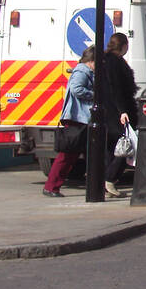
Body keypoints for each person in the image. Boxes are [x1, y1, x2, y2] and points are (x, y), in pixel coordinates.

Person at [43, 46, 95, 197]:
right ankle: (51, 186)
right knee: (67, 156)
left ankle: (54, 186)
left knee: (76, 155)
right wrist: (94, 94)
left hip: (81, 118)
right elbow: (76, 89)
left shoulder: (86, 71)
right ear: (91, 61)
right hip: (77, 118)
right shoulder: (82, 71)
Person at [102, 32, 137, 196]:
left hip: (108, 110)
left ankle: (108, 181)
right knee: (126, 146)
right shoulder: (115, 63)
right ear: (123, 46)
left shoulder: (106, 60)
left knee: (112, 148)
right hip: (117, 111)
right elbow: (116, 89)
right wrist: (122, 111)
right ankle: (110, 179)